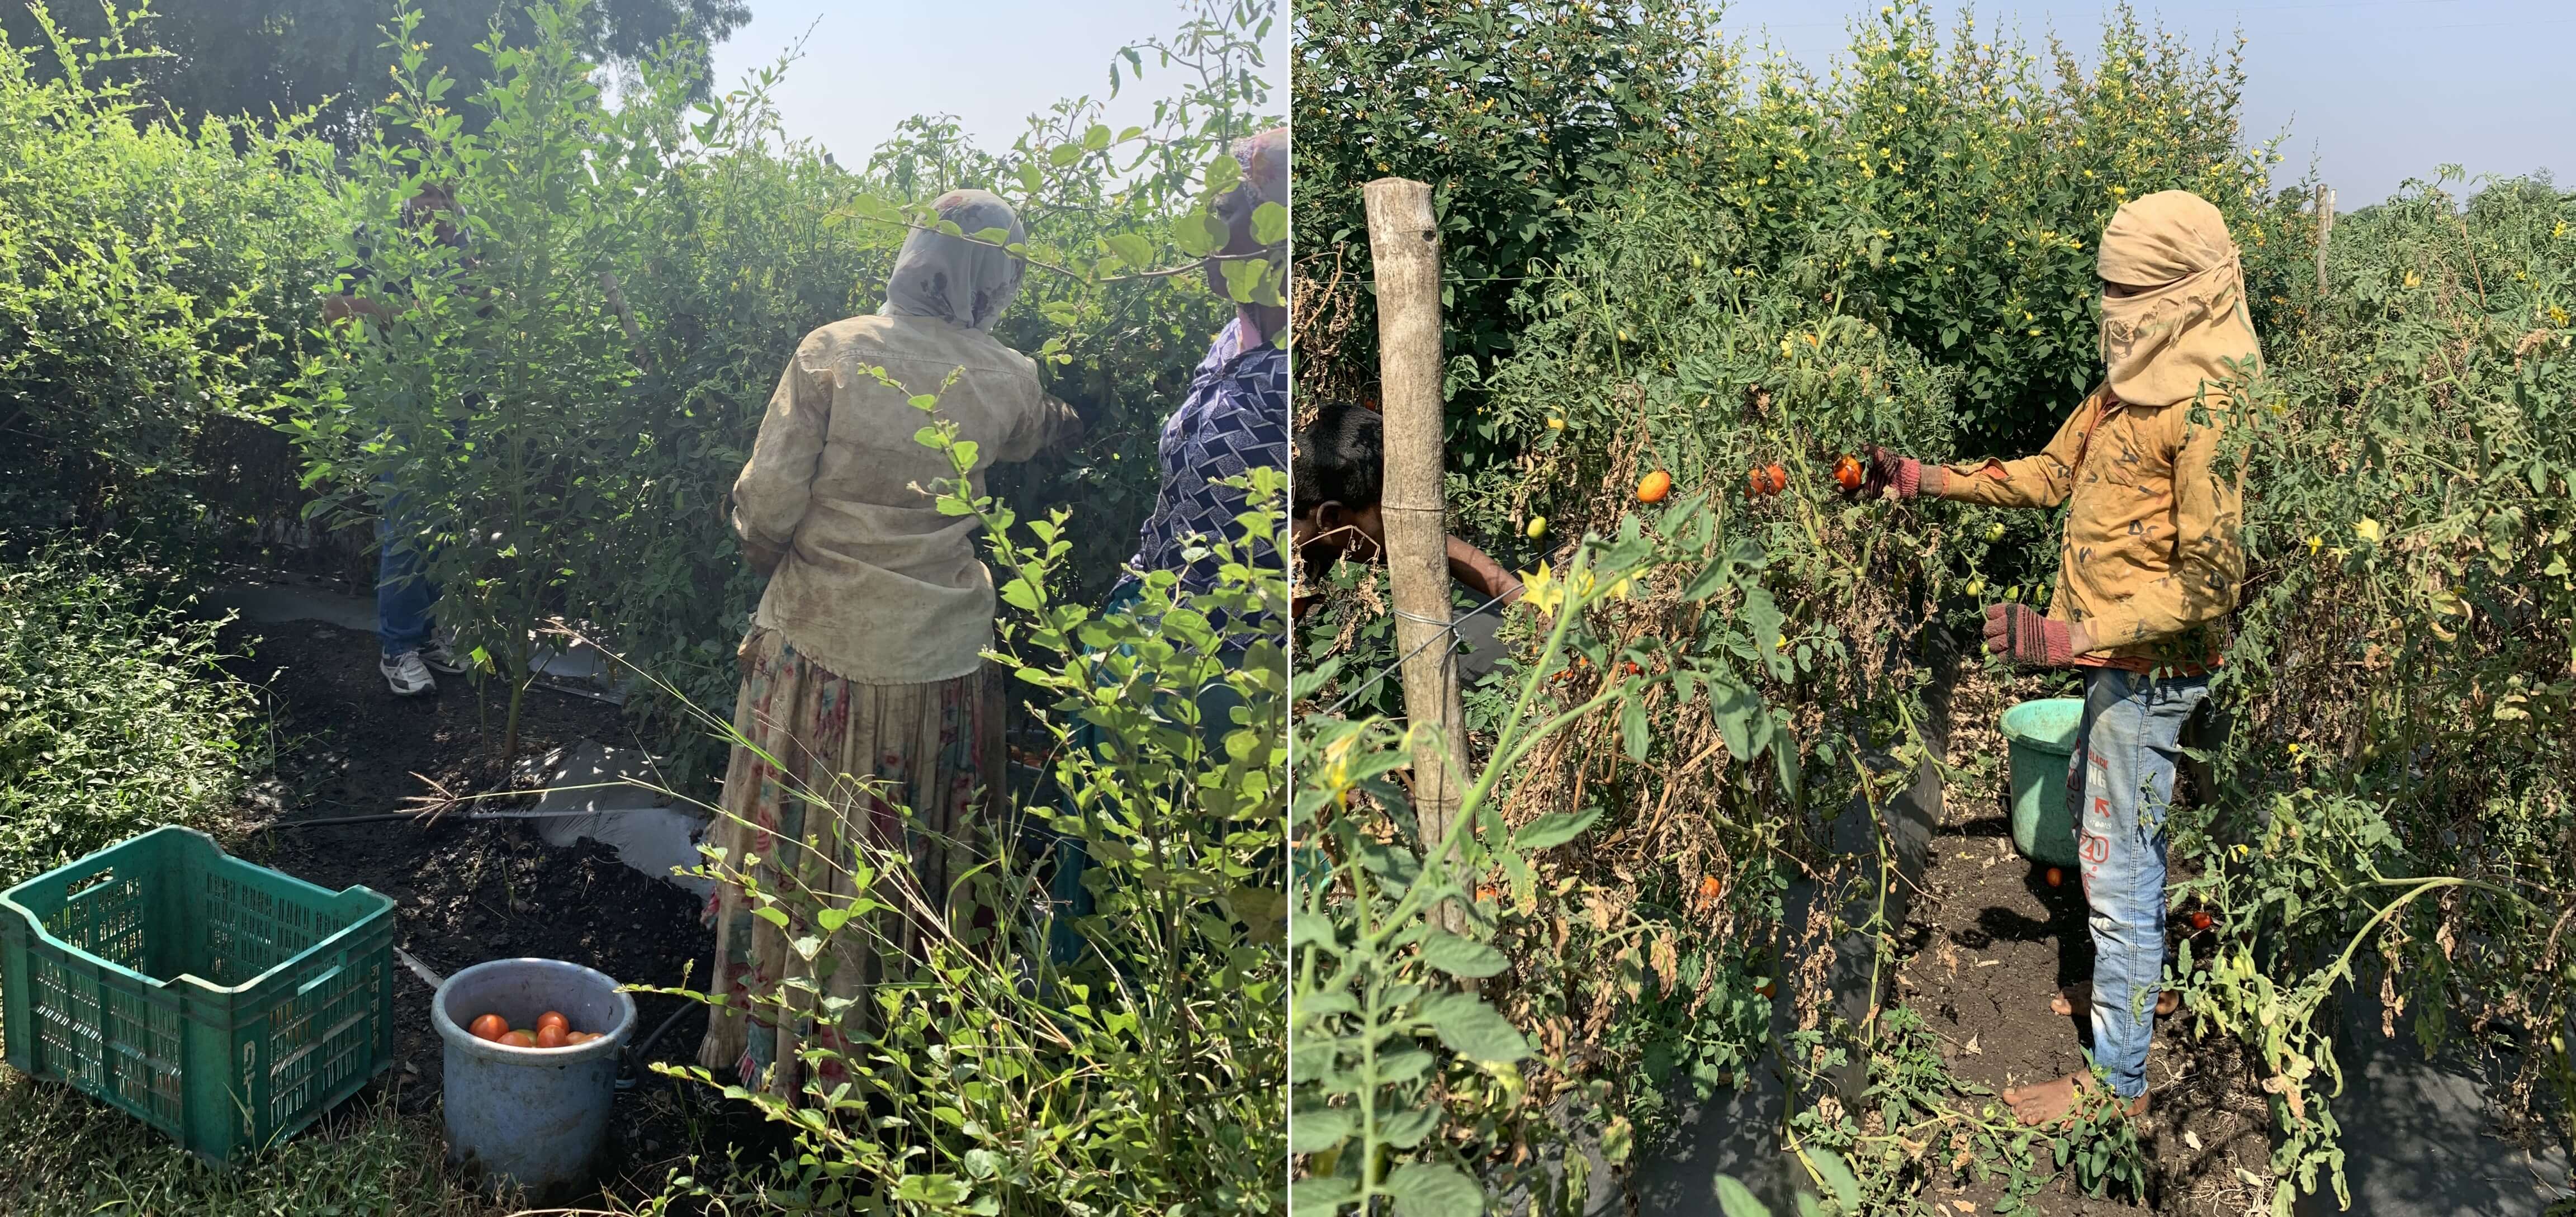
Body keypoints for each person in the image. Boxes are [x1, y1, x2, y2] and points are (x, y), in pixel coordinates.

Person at [1848, 190, 2254, 1126]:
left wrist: (2064, 636)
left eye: (2129, 289)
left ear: (2185, 293)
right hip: (2112, 664)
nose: (2113, 307)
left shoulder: (2208, 410)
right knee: (2096, 824)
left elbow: (2208, 583)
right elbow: (2050, 473)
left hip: (2152, 670)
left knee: (2115, 866)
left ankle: (2115, 1083)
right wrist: (1924, 478)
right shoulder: (2127, 388)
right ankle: (2136, 982)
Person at [696, 189, 1081, 1100]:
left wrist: (773, 548)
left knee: (801, 856)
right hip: (939, 671)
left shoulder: (831, 353)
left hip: (819, 653)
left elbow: (767, 511)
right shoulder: (1007, 375)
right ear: (994, 279)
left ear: (914, 257)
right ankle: (905, 1058)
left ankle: (780, 1057)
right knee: (914, 855)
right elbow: (1041, 432)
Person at [1048, 126, 1291, 964]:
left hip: (1239, 659)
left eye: (1245, 202)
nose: (1220, 216)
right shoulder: (1231, 341)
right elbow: (1180, 495)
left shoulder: (1304, 359)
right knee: (1110, 861)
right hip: (1153, 636)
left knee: (1209, 886)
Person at [323, 184, 476, 697]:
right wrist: (403, 314)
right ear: (408, 195)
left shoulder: (463, 246)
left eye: (447, 194)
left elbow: (483, 314)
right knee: (408, 525)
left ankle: (428, 635)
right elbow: (333, 308)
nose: (438, 204)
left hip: (454, 402)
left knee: (443, 526)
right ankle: (398, 649)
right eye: (428, 194)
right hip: (401, 405)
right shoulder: (377, 242)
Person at [1290, 399, 1526, 681]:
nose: (1405, 523)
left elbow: (1435, 544)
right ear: (1332, 519)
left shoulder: (1304, 518)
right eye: (1393, 510)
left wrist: (1526, 598)